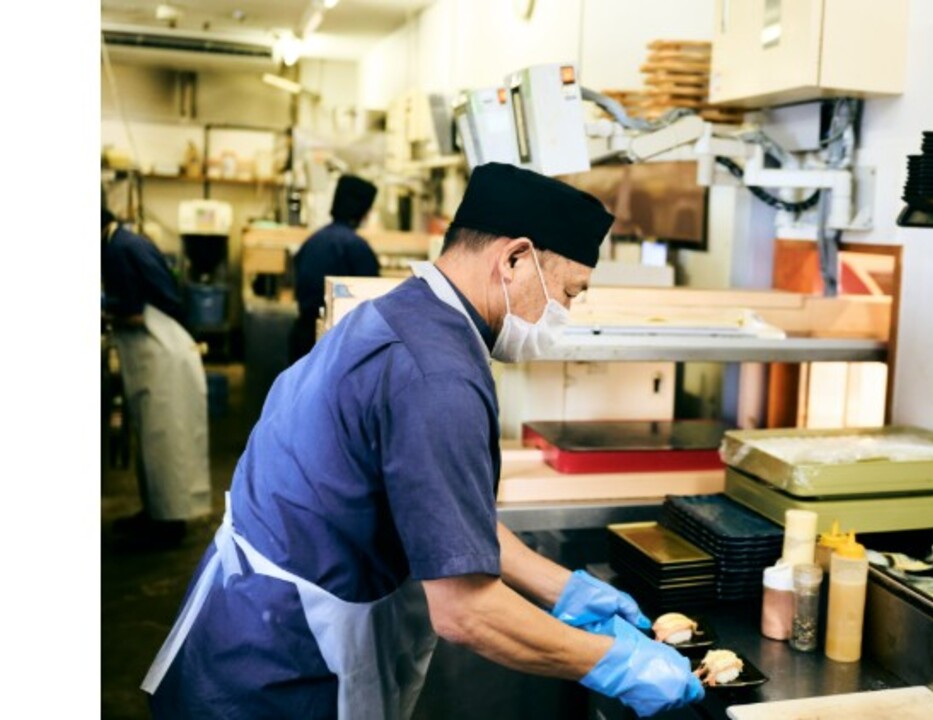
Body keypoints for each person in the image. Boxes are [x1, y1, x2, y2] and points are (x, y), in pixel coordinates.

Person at [142, 163, 705, 719]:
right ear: (513, 259)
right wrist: (617, 663)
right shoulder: (438, 376)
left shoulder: (406, 313)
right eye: (567, 293)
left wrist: (566, 590)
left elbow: (449, 518)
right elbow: (466, 612)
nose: (565, 315)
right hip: (286, 666)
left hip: (249, 622)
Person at [101, 207, 212, 550]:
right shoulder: (125, 241)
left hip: (161, 351)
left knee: (165, 440)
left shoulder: (118, 249)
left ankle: (167, 522)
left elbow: (133, 313)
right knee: (156, 439)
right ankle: (156, 511)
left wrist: (102, 308)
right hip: (164, 349)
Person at [289, 173, 382, 362]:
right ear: (363, 211)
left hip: (302, 337)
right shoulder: (357, 247)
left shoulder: (314, 240)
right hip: (335, 345)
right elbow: (374, 299)